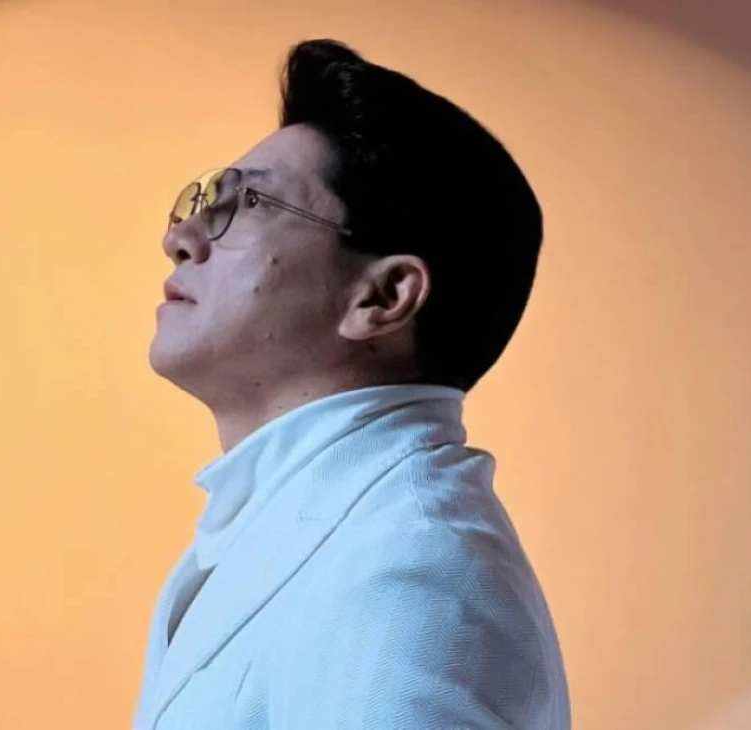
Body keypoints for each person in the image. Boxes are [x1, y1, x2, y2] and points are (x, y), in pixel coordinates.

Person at [132, 38, 569, 730]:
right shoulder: (276, 532)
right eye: (205, 198)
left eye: (247, 203)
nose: (181, 237)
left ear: (384, 296)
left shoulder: (414, 570)